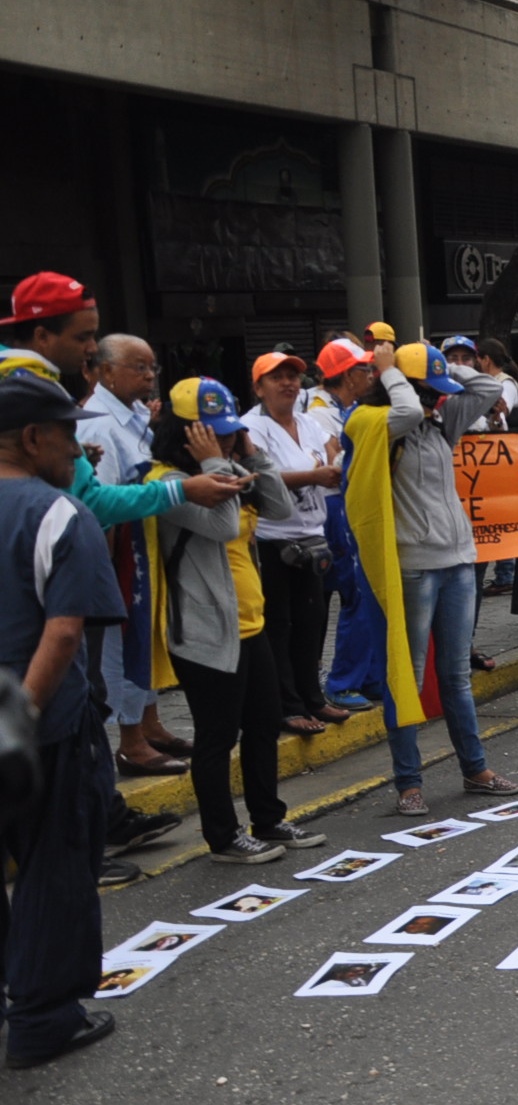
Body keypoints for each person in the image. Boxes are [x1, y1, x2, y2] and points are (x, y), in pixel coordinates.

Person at [3, 274, 242, 884]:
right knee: (78, 715)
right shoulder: (38, 423)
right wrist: (178, 488)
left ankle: (94, 823)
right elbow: (93, 504)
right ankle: (78, 842)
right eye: (85, 339)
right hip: (58, 590)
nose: (90, 350)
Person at [0, 371, 127, 1068]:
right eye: (68, 436)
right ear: (31, 437)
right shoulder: (56, 515)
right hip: (40, 730)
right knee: (54, 863)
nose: (77, 452)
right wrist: (17, 718)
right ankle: (44, 1019)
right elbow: (64, 634)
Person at [145, 377, 321, 862]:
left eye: (229, 431)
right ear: (186, 434)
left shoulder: (228, 464)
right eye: (214, 433)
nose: (225, 440)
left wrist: (251, 454)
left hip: (251, 623)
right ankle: (222, 836)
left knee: (264, 724)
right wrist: (214, 464)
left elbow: (281, 506)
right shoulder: (166, 482)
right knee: (218, 736)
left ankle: (268, 819)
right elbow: (222, 526)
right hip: (204, 632)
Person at [345, 340, 518, 816]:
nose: (436, 401)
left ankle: (476, 769)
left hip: (460, 562)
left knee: (456, 676)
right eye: (431, 393)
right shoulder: (375, 424)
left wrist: (445, 372)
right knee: (408, 676)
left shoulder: (441, 424)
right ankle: (408, 782)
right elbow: (402, 409)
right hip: (414, 566)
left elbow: (488, 386)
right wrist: (393, 372)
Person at [76, 333, 195, 776]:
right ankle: (130, 740)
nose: (148, 376)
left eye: (152, 368)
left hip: (145, 542)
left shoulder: (136, 415)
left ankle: (150, 723)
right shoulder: (96, 422)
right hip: (120, 548)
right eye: (137, 367)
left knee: (147, 638)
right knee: (122, 645)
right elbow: (101, 502)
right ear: (105, 371)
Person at [240, 351, 346, 736]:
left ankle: (311, 696)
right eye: (276, 377)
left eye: (293, 376)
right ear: (258, 387)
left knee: (313, 621)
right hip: (272, 538)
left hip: (312, 535)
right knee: (279, 623)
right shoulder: (249, 427)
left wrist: (330, 467)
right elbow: (262, 478)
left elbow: (332, 451)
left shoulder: (307, 421)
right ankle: (287, 704)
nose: (287, 384)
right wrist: (315, 475)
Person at [312, 338, 384, 714]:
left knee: (368, 592)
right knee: (356, 596)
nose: (370, 375)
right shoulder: (322, 412)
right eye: (363, 369)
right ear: (345, 375)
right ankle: (343, 682)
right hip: (334, 509)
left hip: (347, 503)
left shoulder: (349, 408)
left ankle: (370, 676)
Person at [472, 337, 518, 597]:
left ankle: (506, 573)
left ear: (485, 359)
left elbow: (500, 418)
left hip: (504, 457)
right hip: (490, 457)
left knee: (504, 511)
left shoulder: (504, 384)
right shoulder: (491, 383)